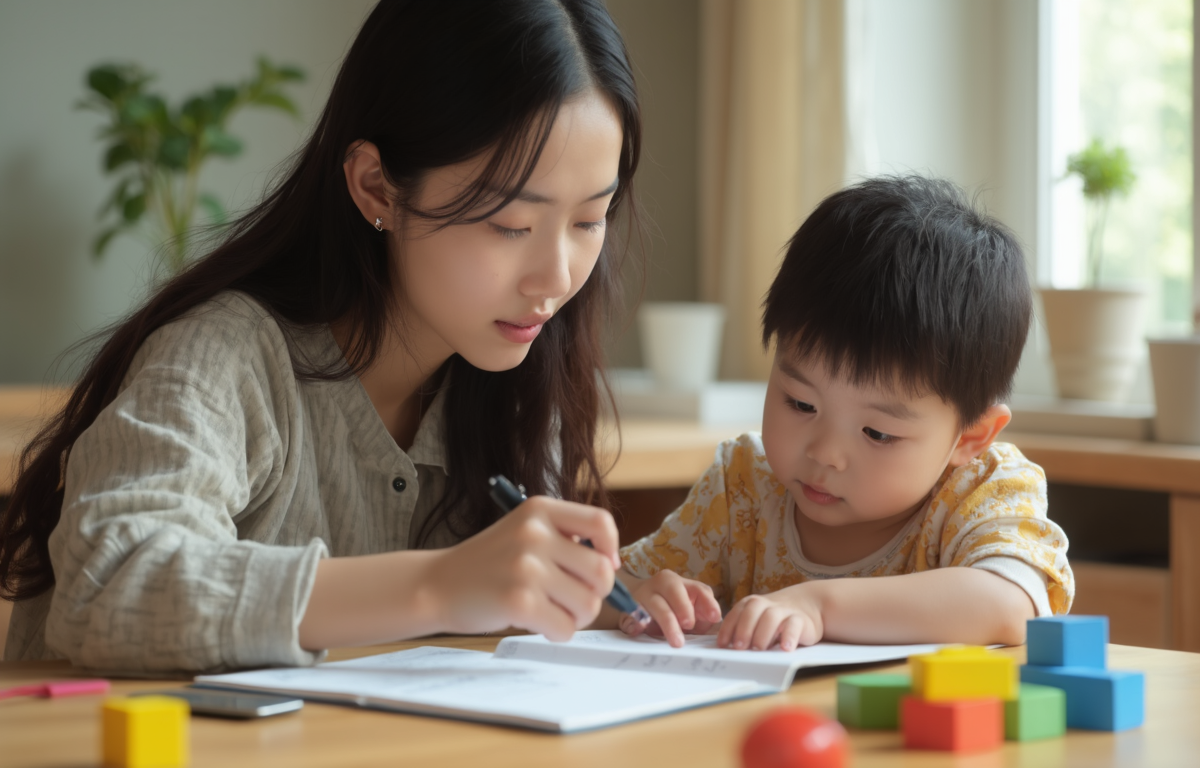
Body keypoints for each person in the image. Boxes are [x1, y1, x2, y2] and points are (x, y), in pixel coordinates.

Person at [0, 0, 641, 672]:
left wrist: (594, 602)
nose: (556, 278)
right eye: (511, 224)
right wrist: (438, 585)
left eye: (591, 220)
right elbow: (109, 588)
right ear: (377, 189)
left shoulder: (513, 380)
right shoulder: (225, 358)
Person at [610, 176, 1074, 652]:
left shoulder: (981, 491)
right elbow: (604, 591)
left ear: (971, 437)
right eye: (800, 403)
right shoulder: (743, 488)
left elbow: (1009, 605)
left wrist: (819, 605)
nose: (826, 454)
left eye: (877, 432)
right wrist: (640, 597)